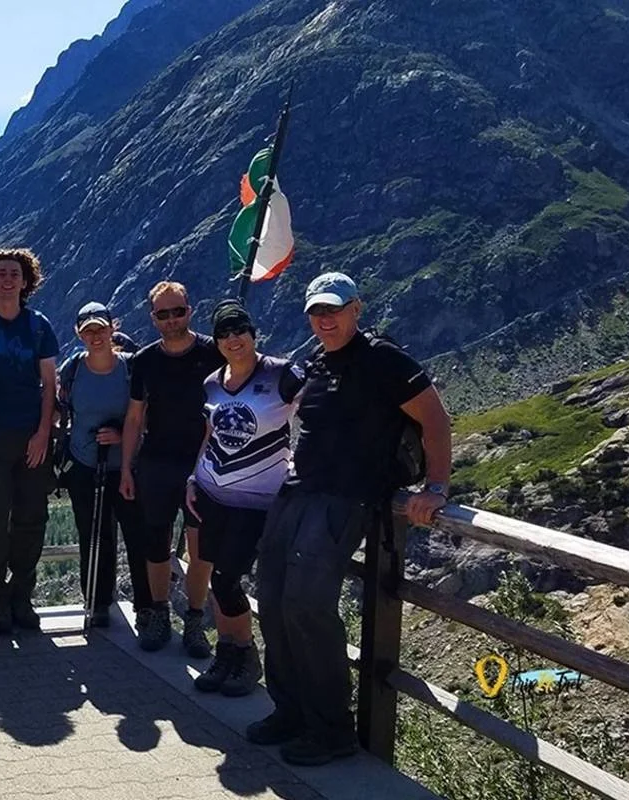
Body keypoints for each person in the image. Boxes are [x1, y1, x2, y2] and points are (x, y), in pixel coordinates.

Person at [249, 272, 452, 766]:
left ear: (356, 309)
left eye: (334, 309)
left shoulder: (382, 359)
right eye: (317, 311)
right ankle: (290, 711)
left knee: (307, 605)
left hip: (347, 499)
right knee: (271, 597)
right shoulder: (317, 359)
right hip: (300, 490)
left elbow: (435, 418)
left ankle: (331, 729)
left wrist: (436, 488)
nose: (326, 319)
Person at [186, 300, 302, 697]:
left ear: (253, 334)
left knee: (226, 578)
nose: (233, 339)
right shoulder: (212, 383)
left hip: (257, 501)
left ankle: (246, 656)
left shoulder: (282, 374)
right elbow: (210, 434)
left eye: (240, 330)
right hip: (211, 493)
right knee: (217, 579)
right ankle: (227, 654)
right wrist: (193, 476)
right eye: (224, 333)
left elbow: (321, 412)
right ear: (216, 341)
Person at [118, 281, 225, 654]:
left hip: (204, 465)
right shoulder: (144, 360)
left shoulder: (214, 353)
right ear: (153, 318)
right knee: (156, 542)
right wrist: (127, 468)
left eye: (177, 311)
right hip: (157, 463)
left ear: (189, 311)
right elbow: (134, 418)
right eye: (163, 314)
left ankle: (195, 620)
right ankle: (159, 614)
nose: (171, 319)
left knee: (201, 548)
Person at [0, 248, 60, 634]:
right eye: (0, 273)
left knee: (32, 517)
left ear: (25, 281)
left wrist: (43, 433)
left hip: (31, 436)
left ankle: (22, 593)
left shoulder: (38, 326)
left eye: (14, 274)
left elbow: (49, 384)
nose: (7, 279)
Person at [56, 302, 149, 629]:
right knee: (94, 535)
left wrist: (123, 435)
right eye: (88, 331)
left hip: (126, 466)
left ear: (113, 328)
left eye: (100, 329)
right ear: (78, 334)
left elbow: (145, 415)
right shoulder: (72, 369)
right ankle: (97, 602)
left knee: (138, 536)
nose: (95, 336)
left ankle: (146, 605)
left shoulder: (130, 369)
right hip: (84, 464)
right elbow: (60, 409)